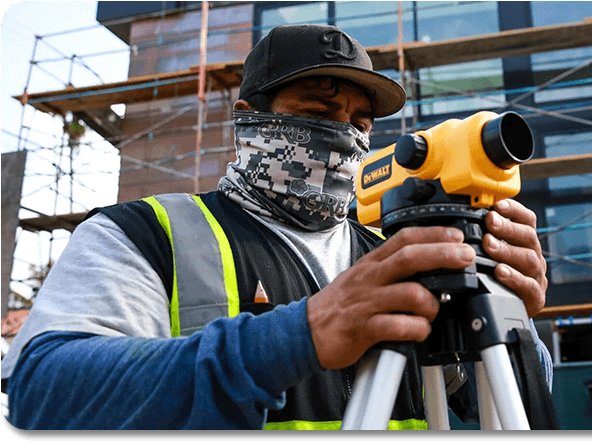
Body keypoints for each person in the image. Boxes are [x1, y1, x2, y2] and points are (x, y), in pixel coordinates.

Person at [2, 24, 551, 430]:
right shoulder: (145, 234)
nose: (346, 138)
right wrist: (300, 334)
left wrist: (508, 321)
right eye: (317, 114)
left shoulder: (395, 257)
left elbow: (490, 405)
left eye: (360, 124)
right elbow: (43, 394)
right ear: (248, 119)